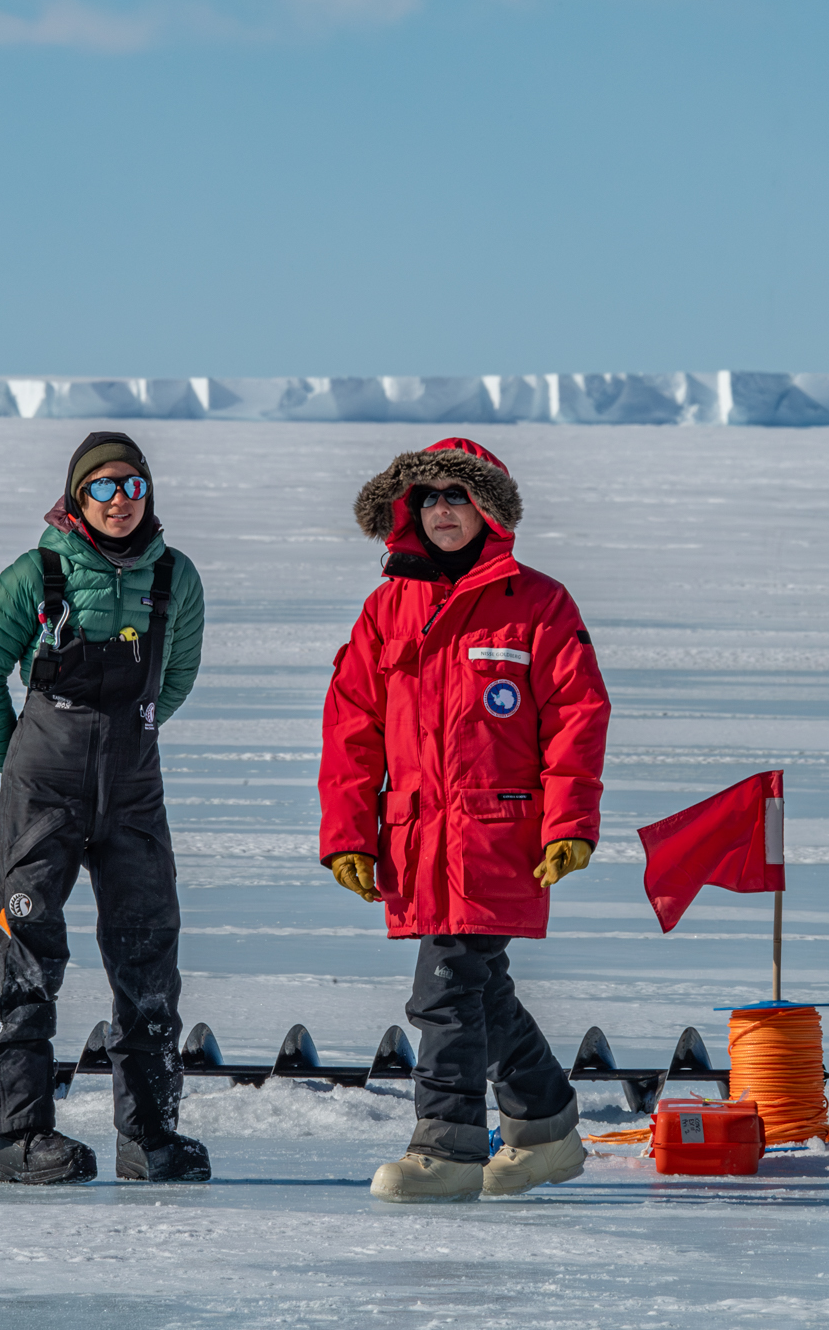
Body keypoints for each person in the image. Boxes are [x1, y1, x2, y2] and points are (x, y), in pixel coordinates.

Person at [319, 437, 611, 1202]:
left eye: (458, 494)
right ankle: (546, 1128)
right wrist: (349, 833)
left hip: (499, 836)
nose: (443, 509)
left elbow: (578, 716)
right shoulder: (388, 607)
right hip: (418, 838)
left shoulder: (539, 603)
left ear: (489, 509)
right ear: (407, 510)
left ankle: (445, 1148)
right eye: (429, 497)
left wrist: (568, 823)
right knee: (476, 989)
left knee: (445, 987)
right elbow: (352, 724)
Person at [0, 431, 210, 1185]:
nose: (121, 502)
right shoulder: (33, 575)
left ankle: (151, 1135)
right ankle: (20, 1136)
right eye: (103, 487)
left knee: (148, 959)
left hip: (133, 792)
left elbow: (177, 676)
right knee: (29, 957)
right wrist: (23, 768)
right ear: (77, 496)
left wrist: (121, 746)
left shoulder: (176, 578)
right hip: (43, 792)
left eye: (133, 487)